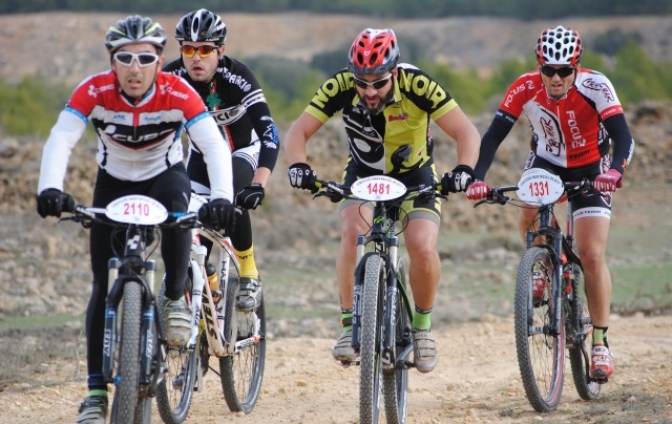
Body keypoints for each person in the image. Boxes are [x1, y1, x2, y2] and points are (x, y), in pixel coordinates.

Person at [35, 16, 236, 423]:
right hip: (113, 184)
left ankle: (175, 296)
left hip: (165, 178)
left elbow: (213, 145)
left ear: (159, 60)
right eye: (124, 58)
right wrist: (49, 188)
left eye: (145, 58)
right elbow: (62, 135)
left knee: (180, 215)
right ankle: (95, 392)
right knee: (99, 284)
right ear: (112, 60)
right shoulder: (95, 90)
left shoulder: (176, 91)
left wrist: (221, 199)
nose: (134, 67)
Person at [284, 28, 481, 373]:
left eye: (379, 82)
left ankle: (422, 329)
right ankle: (349, 326)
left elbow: (466, 131)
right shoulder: (340, 85)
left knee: (421, 246)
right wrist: (299, 165)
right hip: (363, 174)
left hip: (415, 174)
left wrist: (463, 170)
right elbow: (297, 132)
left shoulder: (418, 85)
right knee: (352, 230)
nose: (370, 91)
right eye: (362, 83)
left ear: (395, 71)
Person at [466, 26, 635, 382]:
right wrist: (478, 177)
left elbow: (624, 136)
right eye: (549, 70)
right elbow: (493, 136)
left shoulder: (597, 86)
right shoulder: (525, 87)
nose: (556, 78)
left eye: (564, 71)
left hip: (593, 165)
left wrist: (615, 172)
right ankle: (544, 263)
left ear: (576, 67)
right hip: (547, 161)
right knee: (528, 202)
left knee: (590, 253)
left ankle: (601, 343)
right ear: (539, 66)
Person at [163, 9, 280, 312]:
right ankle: (208, 281)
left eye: (204, 49)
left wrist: (259, 184)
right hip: (201, 157)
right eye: (188, 49)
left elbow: (269, 134)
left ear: (220, 51)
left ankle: (249, 274)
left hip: (243, 151)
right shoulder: (172, 77)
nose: (196, 58)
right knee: (191, 222)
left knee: (230, 197)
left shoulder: (237, 77)